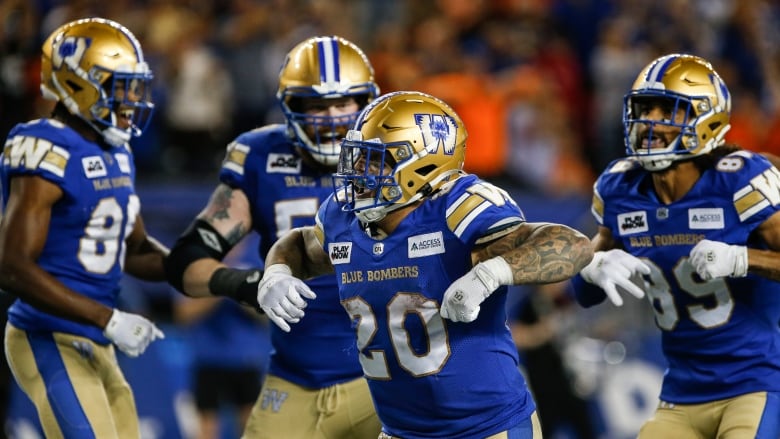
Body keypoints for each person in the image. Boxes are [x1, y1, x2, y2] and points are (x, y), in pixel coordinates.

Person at [254, 90, 594, 438]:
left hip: (488, 428)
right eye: (357, 157)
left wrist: (489, 274)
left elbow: (571, 245)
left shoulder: (457, 209)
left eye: (374, 160)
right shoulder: (341, 217)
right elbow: (299, 243)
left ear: (422, 165)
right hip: (401, 432)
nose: (358, 171)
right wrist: (277, 272)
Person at [163, 36, 382, 438]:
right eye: (316, 105)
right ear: (291, 107)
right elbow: (187, 259)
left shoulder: (397, 156)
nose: (332, 117)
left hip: (386, 380)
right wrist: (250, 284)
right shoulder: (261, 156)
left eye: (344, 103)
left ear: (366, 103)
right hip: (294, 379)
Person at [571, 53, 780, 438]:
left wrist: (741, 258)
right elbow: (584, 295)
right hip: (680, 396)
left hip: (758, 385)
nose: (650, 122)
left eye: (668, 109)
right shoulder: (621, 188)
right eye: (643, 107)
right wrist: (590, 267)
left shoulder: (739, 181)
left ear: (706, 116)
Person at [0, 17, 167, 438]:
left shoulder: (116, 149)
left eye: (134, 85)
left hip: (96, 341)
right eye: (119, 85)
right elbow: (11, 265)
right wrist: (108, 318)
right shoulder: (45, 145)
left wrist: (219, 275)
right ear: (77, 84)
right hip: (47, 334)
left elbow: (135, 248)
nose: (131, 98)